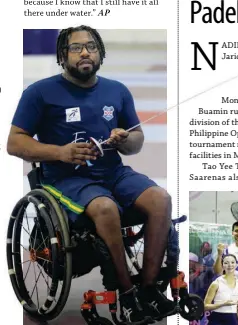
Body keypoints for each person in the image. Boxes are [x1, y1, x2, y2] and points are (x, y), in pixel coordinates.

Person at [7, 26, 175, 324]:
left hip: (114, 173)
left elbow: (136, 142)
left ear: (101, 54)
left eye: (92, 47)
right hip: (65, 180)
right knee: (105, 207)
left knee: (160, 198)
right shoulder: (39, 92)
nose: (85, 52)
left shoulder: (117, 91)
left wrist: (125, 140)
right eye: (76, 48)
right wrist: (61, 152)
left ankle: (149, 289)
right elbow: (15, 143)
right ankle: (126, 292)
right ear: (62, 55)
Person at [204, 254, 238, 325]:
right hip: (217, 319)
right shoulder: (216, 283)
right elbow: (205, 306)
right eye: (226, 263)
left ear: (236, 265)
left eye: (232, 262)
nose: (230, 265)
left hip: (233, 319)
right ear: (222, 266)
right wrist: (223, 304)